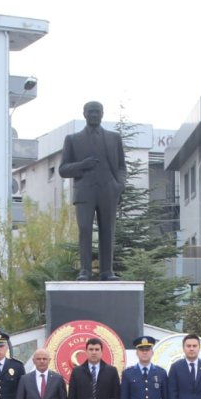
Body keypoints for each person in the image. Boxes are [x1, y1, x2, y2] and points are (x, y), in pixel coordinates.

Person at [57, 100, 127, 281]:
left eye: (97, 112)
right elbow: (63, 169)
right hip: (84, 192)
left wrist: (119, 185)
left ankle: (107, 271)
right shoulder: (73, 139)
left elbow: (121, 167)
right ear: (84, 114)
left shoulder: (114, 138)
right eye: (91, 112)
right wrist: (82, 165)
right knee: (85, 229)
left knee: (108, 230)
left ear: (102, 114)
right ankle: (85, 271)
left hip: (109, 191)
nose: (94, 115)